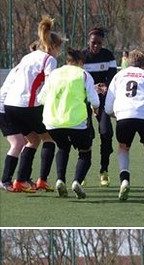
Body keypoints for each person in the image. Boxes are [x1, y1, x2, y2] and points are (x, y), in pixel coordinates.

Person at [4, 16, 63, 193]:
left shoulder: (27, 57)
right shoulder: (49, 59)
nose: (59, 52)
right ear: (53, 46)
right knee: (49, 138)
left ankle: (20, 181)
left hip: (10, 105)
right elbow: (50, 84)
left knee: (33, 139)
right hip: (27, 105)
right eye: (59, 48)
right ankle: (41, 180)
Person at [37, 48, 100, 199]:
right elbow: (95, 100)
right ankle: (76, 181)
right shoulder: (83, 74)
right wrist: (94, 107)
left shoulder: (54, 74)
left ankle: (60, 180)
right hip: (76, 121)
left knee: (63, 147)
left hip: (53, 122)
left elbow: (41, 98)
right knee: (85, 152)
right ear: (80, 62)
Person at [104, 49, 144, 201]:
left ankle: (124, 180)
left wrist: (118, 114)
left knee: (123, 148)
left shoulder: (119, 75)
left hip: (125, 115)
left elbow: (108, 107)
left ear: (128, 63)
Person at [82, 27, 117, 187]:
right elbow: (78, 79)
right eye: (93, 42)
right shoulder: (82, 56)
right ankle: (81, 173)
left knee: (106, 133)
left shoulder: (108, 55)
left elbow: (113, 77)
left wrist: (105, 86)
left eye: (99, 43)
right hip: (85, 100)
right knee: (86, 136)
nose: (96, 46)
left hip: (102, 100)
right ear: (88, 41)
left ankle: (104, 170)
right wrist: (92, 88)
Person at [0, 64, 26, 192]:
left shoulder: (23, 67)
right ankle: (5, 180)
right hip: (4, 108)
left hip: (13, 108)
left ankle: (23, 178)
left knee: (27, 140)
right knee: (17, 143)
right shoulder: (25, 69)